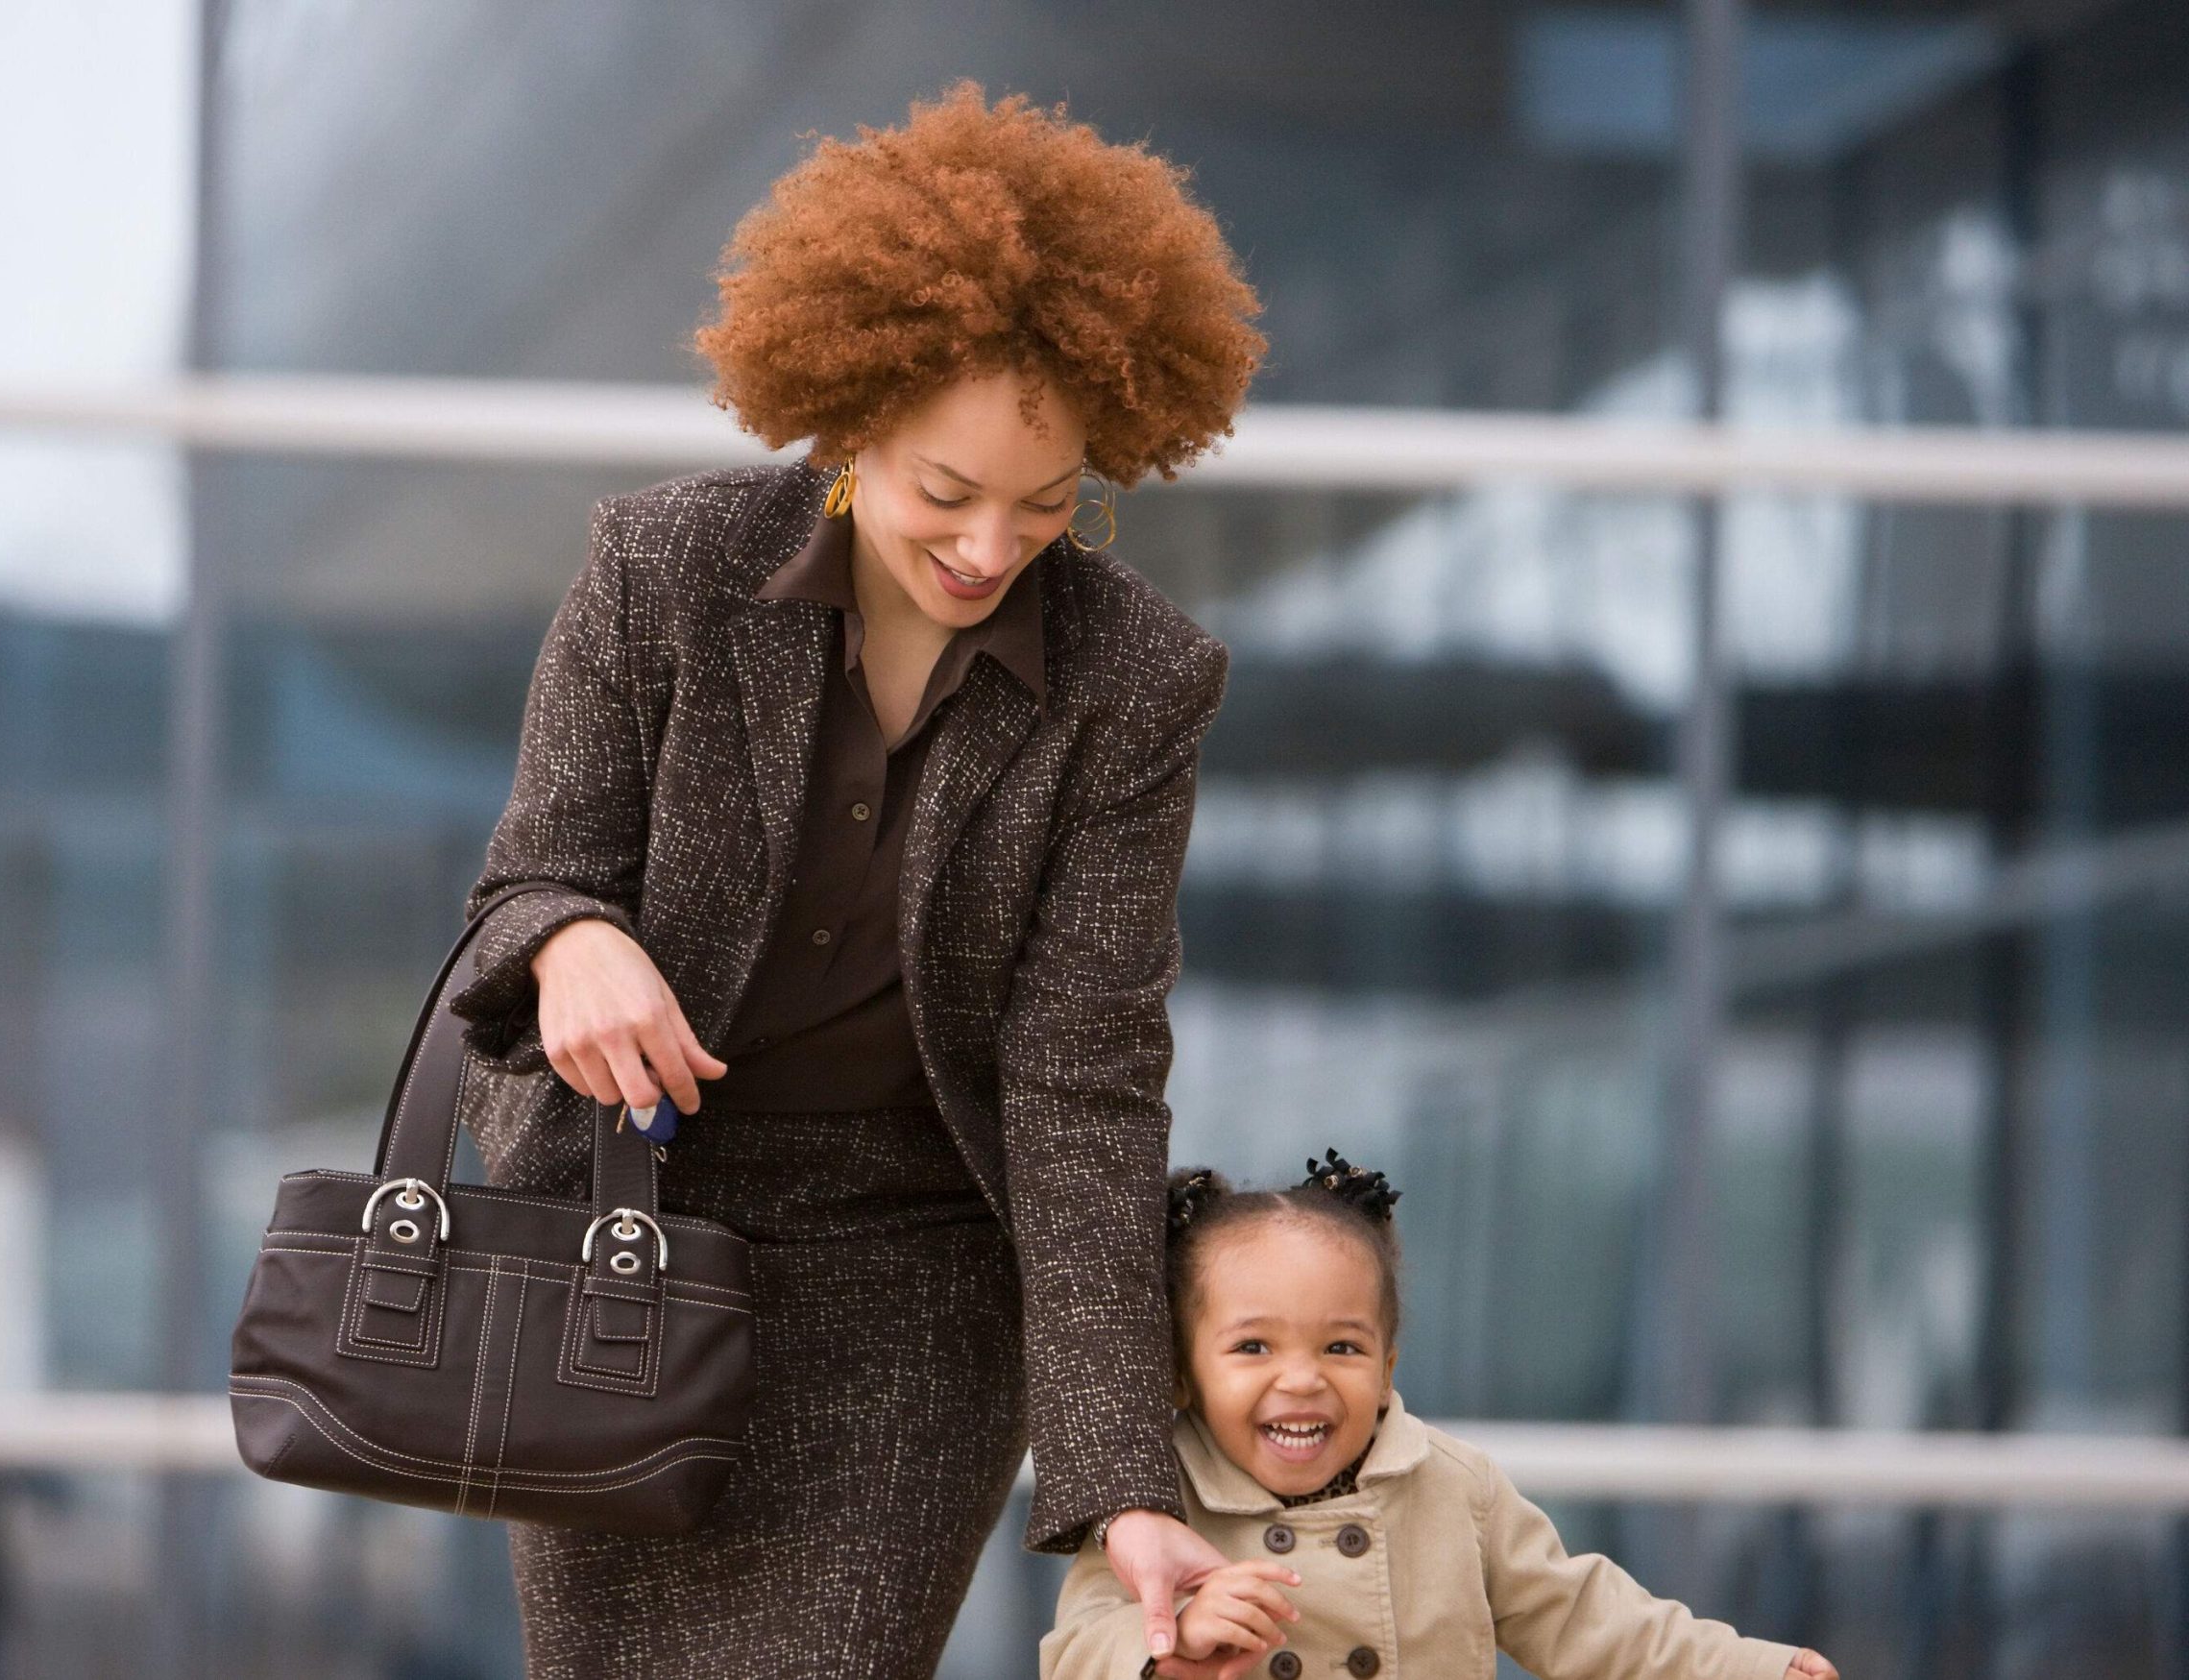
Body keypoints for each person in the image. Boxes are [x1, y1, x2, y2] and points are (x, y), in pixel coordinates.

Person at [443, 81, 1267, 1675]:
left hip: (916, 1284)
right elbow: (524, 877)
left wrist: (1119, 1480)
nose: (987, 545)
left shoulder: (1136, 679)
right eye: (941, 491)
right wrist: (571, 941)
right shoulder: (662, 572)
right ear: (843, 423)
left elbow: (1084, 1080)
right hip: (632, 1228)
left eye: (1046, 504)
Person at [1040, 1155, 1844, 1680]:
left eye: (1342, 1347)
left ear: (1388, 1368)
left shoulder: (1454, 1488)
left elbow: (1590, 1617)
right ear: (1181, 1374)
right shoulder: (1151, 1497)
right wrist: (1172, 1634)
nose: (1302, 1378)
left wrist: (1747, 1669)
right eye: (1253, 1345)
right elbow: (1073, 1652)